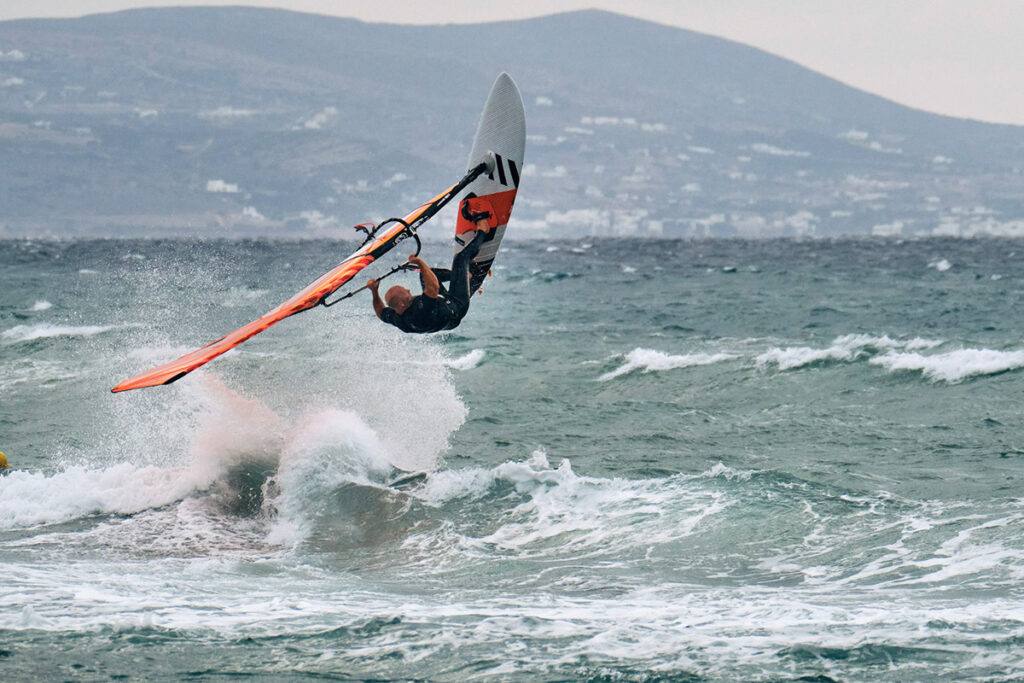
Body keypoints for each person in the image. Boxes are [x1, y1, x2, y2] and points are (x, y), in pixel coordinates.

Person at [368, 195, 494, 334]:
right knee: (461, 258)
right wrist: (420, 263)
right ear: (402, 304)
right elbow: (433, 287)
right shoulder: (418, 314)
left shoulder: (397, 316)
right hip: (457, 308)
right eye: (405, 292)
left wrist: (374, 291)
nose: (409, 291)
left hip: (442, 309)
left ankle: (465, 276)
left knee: (427, 275)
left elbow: (380, 312)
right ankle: (484, 230)